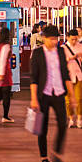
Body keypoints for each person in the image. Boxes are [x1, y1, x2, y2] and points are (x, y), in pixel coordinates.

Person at [30, 25, 76, 162]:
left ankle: (56, 152)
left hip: (59, 92)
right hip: (43, 94)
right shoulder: (37, 53)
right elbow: (34, 78)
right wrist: (33, 99)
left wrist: (72, 96)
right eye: (51, 39)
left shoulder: (61, 52)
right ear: (43, 38)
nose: (54, 42)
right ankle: (44, 156)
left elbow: (66, 75)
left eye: (56, 39)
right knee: (42, 127)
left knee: (63, 123)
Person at [0, 27, 15, 123]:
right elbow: (2, 60)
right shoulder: (6, 46)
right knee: (6, 94)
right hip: (3, 72)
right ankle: (5, 116)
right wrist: (1, 74)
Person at [63, 29, 82, 128]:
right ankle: (70, 119)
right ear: (67, 38)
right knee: (68, 100)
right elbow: (60, 62)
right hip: (68, 76)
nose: (74, 41)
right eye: (72, 39)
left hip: (79, 75)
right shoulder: (63, 48)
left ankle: (79, 119)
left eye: (76, 39)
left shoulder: (80, 46)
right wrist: (71, 58)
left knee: (79, 99)